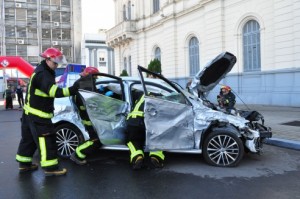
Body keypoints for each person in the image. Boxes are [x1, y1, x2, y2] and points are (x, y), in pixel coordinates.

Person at [15, 47, 80, 176]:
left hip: (30, 114)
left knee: (28, 140)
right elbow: (53, 92)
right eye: (55, 62)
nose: (56, 65)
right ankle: (51, 168)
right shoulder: (44, 74)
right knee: (47, 140)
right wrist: (73, 89)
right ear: (47, 59)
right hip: (39, 115)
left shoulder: (42, 70)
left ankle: (24, 164)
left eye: (57, 63)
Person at [70, 67, 102, 165]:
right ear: (91, 76)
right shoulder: (85, 85)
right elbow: (93, 99)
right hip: (89, 119)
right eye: (95, 77)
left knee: (95, 139)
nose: (96, 79)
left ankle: (79, 153)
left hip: (89, 118)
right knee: (96, 140)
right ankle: (78, 154)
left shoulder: (81, 83)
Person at [126, 90, 165, 170]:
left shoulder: (141, 95)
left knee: (133, 141)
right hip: (148, 121)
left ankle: (137, 157)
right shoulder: (160, 97)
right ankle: (155, 157)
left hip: (133, 121)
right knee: (157, 138)